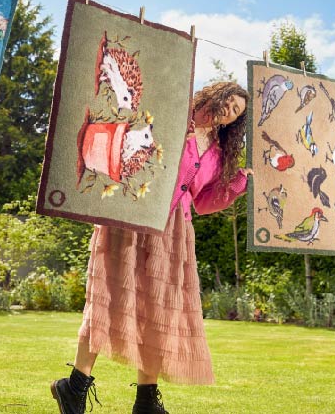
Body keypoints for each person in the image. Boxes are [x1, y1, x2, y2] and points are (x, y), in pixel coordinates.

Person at [51, 81, 253, 414]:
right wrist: (171, 138)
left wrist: (239, 184)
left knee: (159, 310)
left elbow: (202, 202)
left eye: (235, 112)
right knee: (107, 297)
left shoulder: (218, 153)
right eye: (228, 103)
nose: (229, 112)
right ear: (215, 95)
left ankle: (146, 399)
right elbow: (131, 147)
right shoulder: (172, 115)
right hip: (135, 212)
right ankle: (74, 386)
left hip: (175, 229)